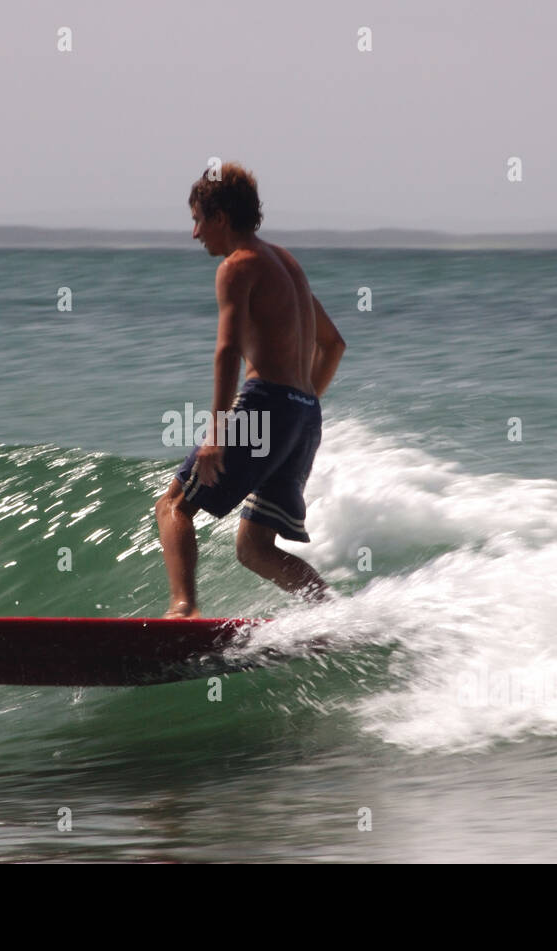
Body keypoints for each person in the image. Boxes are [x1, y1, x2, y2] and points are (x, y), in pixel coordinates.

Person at [155, 162, 346, 618]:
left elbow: (227, 352)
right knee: (255, 547)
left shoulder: (237, 267)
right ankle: (333, 618)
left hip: (266, 406)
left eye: (198, 219)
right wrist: (301, 405)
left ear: (219, 216)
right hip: (304, 415)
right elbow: (334, 344)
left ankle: (182, 610)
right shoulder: (286, 262)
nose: (195, 232)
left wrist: (218, 435)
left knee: (172, 506)